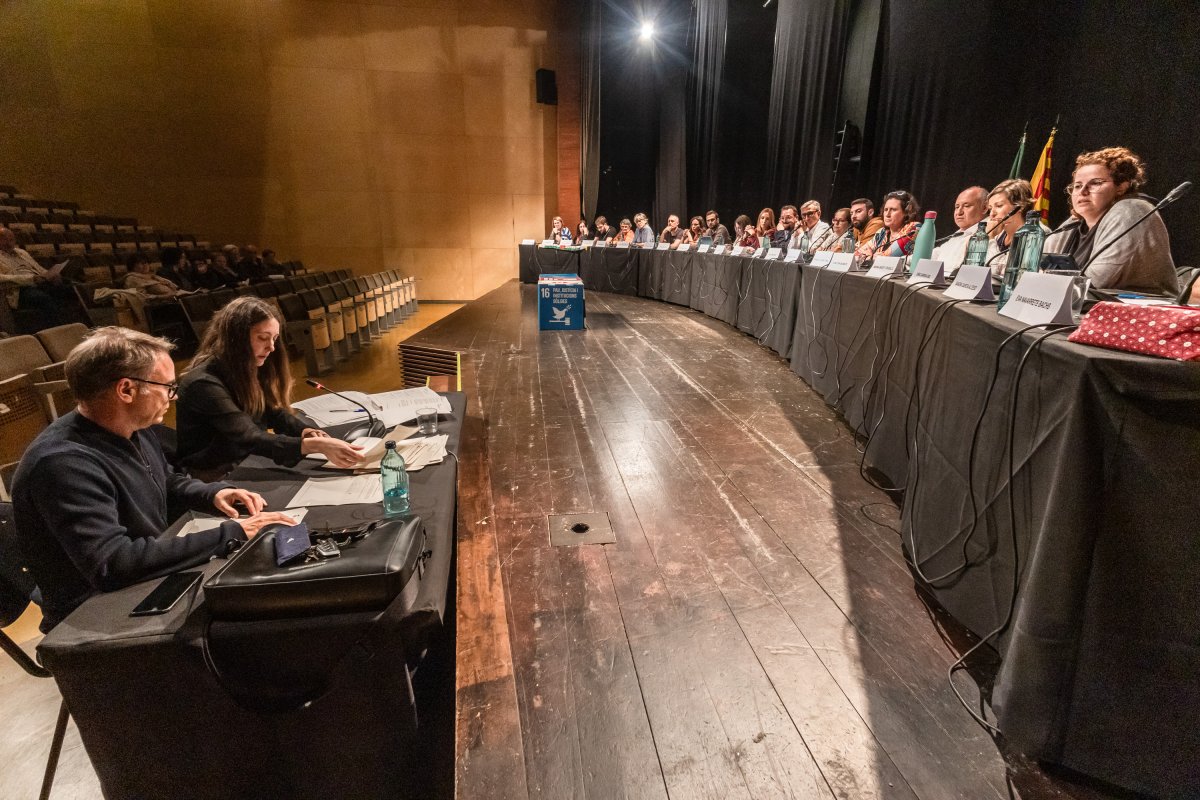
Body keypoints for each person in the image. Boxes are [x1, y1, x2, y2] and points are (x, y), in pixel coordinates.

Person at [11, 327, 295, 632]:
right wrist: (232, 533)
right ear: (126, 390)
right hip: (95, 612)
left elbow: (164, 480)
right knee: (253, 623)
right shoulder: (62, 463)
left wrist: (210, 494)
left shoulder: (132, 425)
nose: (173, 396)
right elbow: (113, 563)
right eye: (168, 386)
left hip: (140, 579)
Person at [176, 296, 364, 477]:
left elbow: (271, 412)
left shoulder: (242, 367)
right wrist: (316, 446)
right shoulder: (203, 383)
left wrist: (304, 431)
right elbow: (248, 437)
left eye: (274, 338)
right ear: (236, 338)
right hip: (211, 477)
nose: (271, 347)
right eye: (263, 338)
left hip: (242, 463)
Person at [1043, 147, 1179, 295]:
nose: (1083, 191)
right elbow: (1040, 273)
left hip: (1139, 311)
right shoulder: (1072, 225)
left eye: (1095, 183)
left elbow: (1096, 281)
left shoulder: (1133, 210)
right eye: (1077, 185)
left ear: (1121, 186)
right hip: (1083, 307)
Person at [0, 225, 81, 326]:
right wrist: (31, 279)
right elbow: (2, 278)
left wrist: (51, 274)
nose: (9, 243)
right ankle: (60, 328)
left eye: (11, 239)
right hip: (19, 289)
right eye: (4, 240)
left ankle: (79, 323)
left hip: (39, 282)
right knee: (42, 298)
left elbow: (38, 268)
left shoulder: (22, 252)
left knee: (70, 288)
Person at [983, 179, 1041, 278]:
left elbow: (1001, 273)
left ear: (1020, 206)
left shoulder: (1035, 233)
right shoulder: (1000, 234)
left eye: (999, 206)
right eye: (990, 208)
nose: (992, 214)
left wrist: (990, 239)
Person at [932, 186, 988, 276]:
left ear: (985, 208)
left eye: (967, 206)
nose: (959, 212)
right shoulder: (960, 233)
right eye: (957, 207)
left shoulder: (988, 233)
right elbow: (935, 254)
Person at [855, 190, 920, 260]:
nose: (887, 214)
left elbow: (888, 258)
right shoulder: (882, 232)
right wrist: (867, 255)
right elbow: (857, 254)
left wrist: (871, 256)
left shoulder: (914, 227)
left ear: (906, 212)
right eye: (886, 210)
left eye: (893, 210)